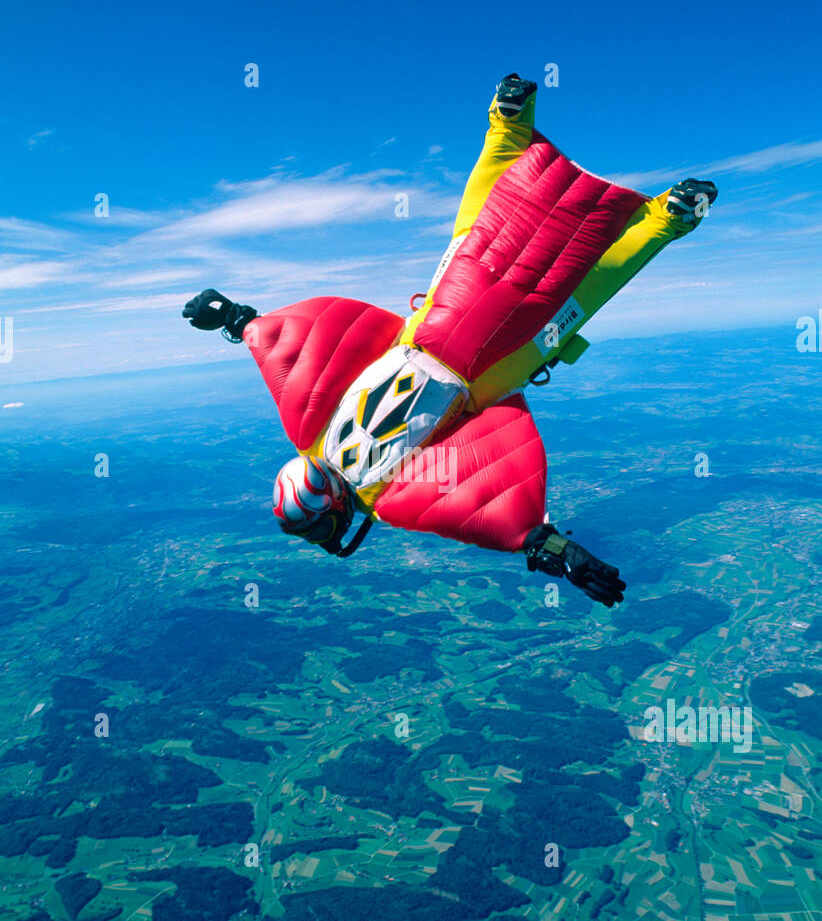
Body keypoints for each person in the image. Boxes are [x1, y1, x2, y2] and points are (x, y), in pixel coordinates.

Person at [184, 74, 717, 607]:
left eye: (321, 530)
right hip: (430, 322)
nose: (328, 538)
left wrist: (552, 549)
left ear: (332, 510)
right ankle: (510, 122)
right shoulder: (310, 431)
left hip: (496, 362)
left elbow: (474, 504)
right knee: (475, 233)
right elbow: (293, 358)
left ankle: (671, 214)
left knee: (575, 289)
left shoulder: (385, 495)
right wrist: (236, 319)